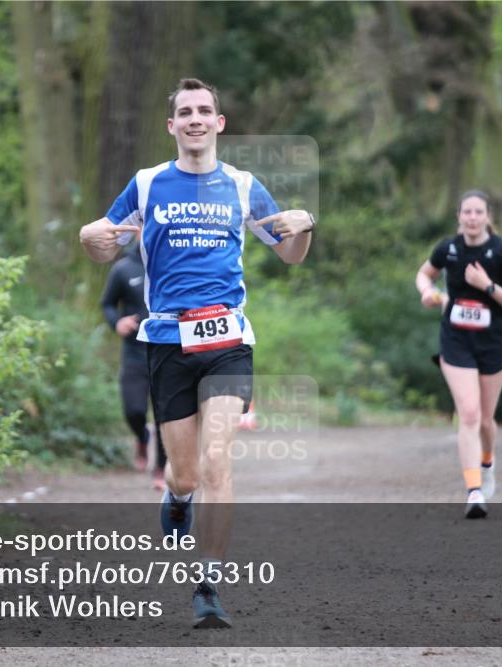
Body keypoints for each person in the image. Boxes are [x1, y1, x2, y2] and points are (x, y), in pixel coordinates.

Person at [79, 78, 315, 627]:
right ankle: (177, 501)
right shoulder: (144, 185)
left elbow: (291, 255)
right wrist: (90, 236)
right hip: (166, 343)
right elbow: (102, 243)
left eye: (205, 110)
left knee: (217, 462)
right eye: (184, 112)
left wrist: (304, 226)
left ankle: (208, 585)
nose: (195, 119)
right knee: (183, 476)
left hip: (229, 342)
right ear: (172, 125)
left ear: (219, 122)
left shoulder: (242, 186)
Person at [415, 190, 502, 519]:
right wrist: (428, 292)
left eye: (479, 212)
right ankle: (474, 490)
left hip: (493, 342)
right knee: (469, 414)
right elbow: (424, 273)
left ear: (488, 216)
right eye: (467, 212)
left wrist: (486, 285)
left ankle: (487, 462)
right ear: (459, 217)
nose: (473, 218)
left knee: (487, 421)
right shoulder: (447, 248)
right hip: (456, 340)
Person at [99, 241, 167, 490]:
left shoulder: (172, 262)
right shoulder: (123, 268)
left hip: (168, 352)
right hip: (134, 353)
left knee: (165, 415)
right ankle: (141, 436)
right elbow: (106, 303)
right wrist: (117, 322)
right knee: (134, 410)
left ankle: (161, 469)